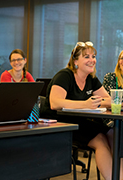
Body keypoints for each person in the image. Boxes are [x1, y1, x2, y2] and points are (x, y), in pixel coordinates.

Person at [40, 41, 116, 179]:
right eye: (86, 57)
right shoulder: (64, 75)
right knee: (100, 140)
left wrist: (96, 102)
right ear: (75, 61)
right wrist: (86, 104)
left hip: (78, 121)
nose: (92, 60)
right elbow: (55, 103)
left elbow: (109, 100)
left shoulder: (91, 79)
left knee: (113, 134)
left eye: (93, 56)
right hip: (59, 123)